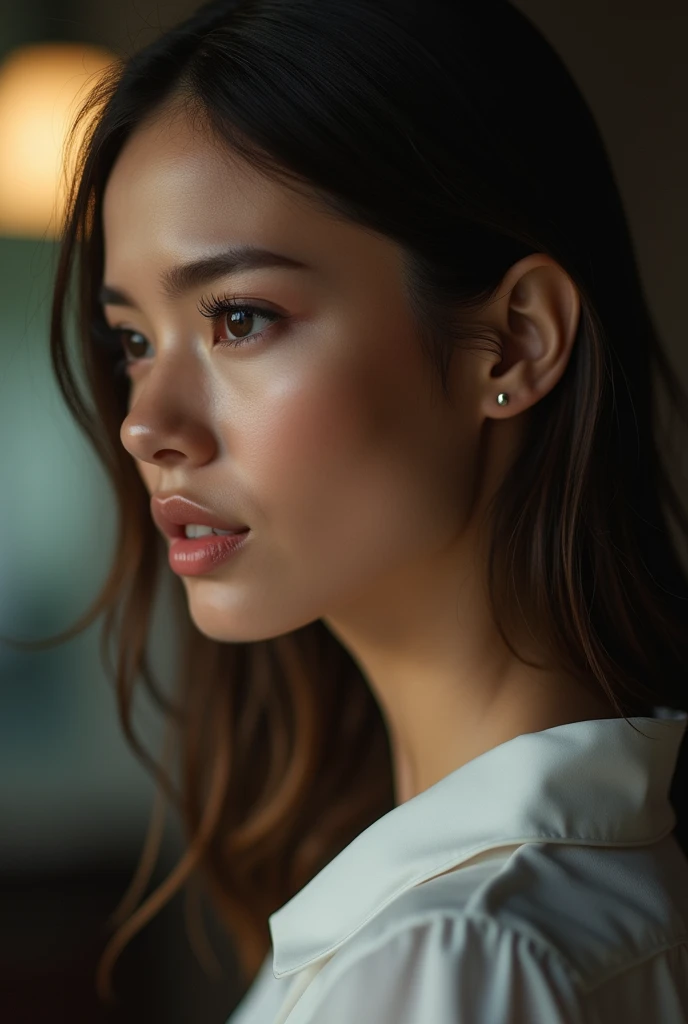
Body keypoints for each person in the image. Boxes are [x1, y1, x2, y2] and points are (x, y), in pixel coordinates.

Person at [36, 0, 688, 1019]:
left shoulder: (453, 957)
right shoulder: (576, 887)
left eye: (238, 318)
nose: (144, 424)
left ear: (512, 341)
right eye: (133, 341)